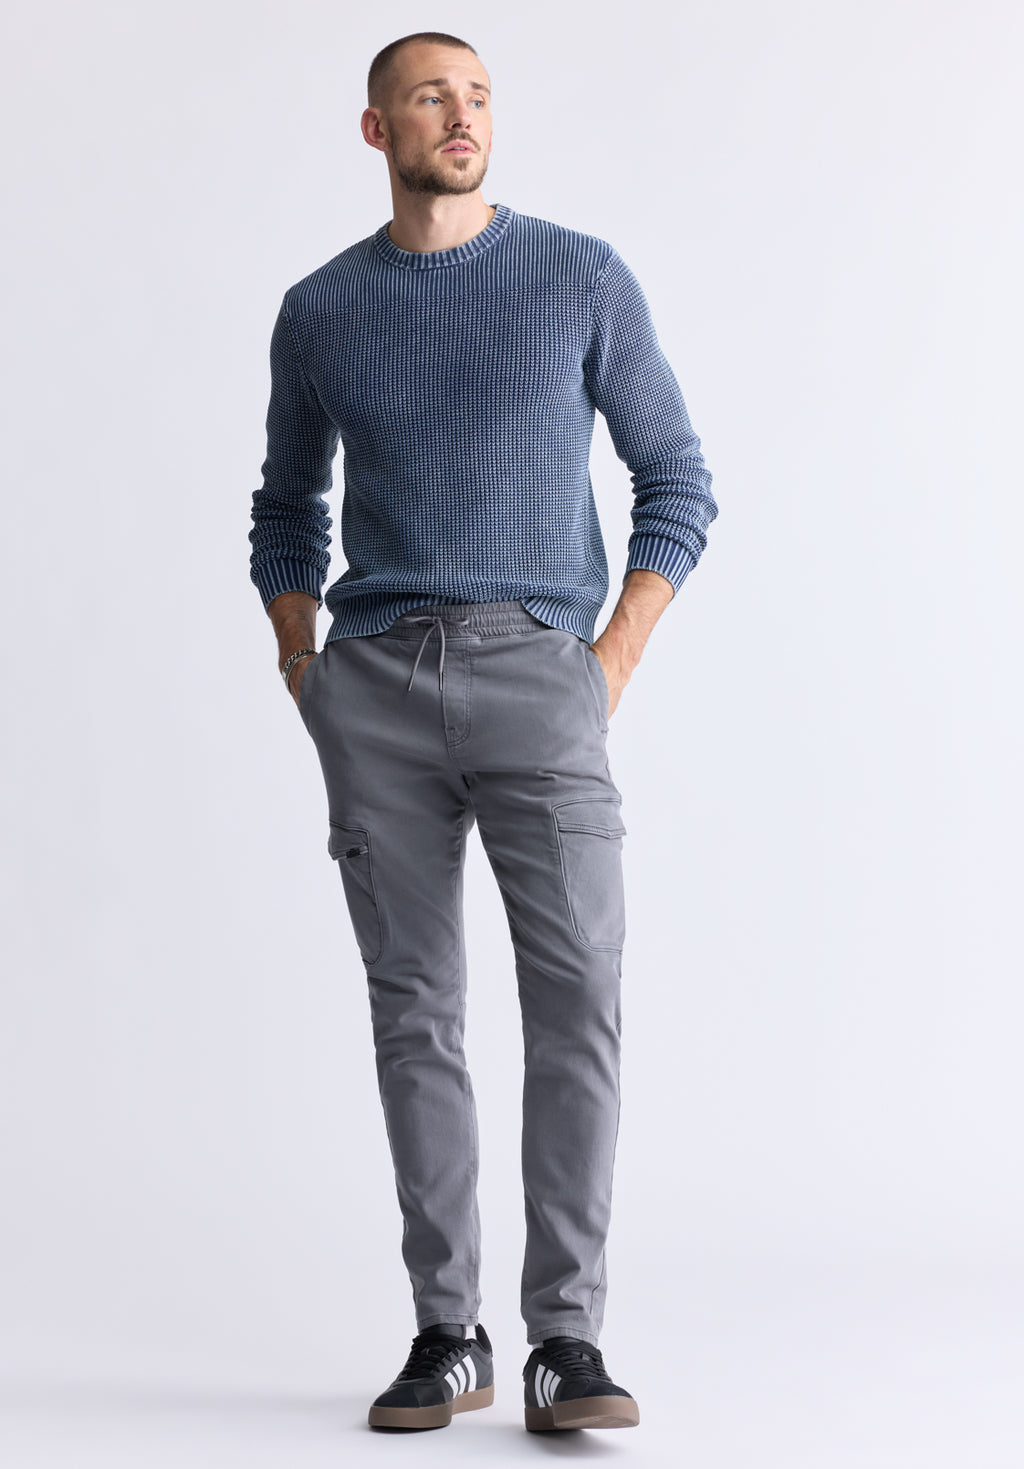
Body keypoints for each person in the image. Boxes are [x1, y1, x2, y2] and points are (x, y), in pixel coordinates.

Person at [249, 30, 717, 1433]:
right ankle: (447, 1330)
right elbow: (286, 507)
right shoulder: (322, 310)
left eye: (479, 97)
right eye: (430, 98)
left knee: (578, 999)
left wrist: (609, 659)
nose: (461, 117)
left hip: (539, 669)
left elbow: (677, 478)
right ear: (376, 129)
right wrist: (305, 664)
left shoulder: (577, 274)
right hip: (378, 684)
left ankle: (566, 1338)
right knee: (416, 1013)